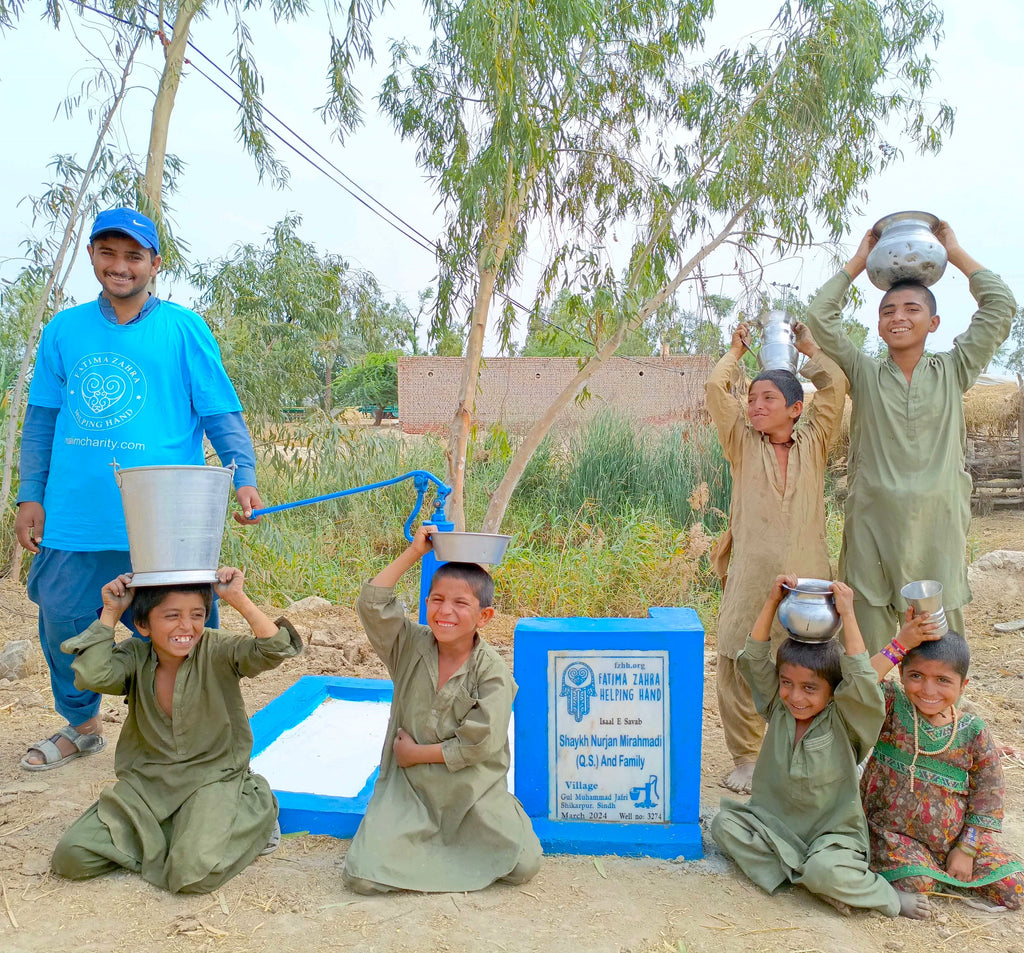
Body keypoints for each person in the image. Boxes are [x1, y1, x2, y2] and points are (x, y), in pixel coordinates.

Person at [17, 208, 263, 770]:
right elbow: (42, 419)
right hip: (76, 514)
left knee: (182, 628)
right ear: (92, 257)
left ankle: (190, 733)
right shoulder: (65, 330)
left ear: (156, 263)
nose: (120, 266)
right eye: (108, 253)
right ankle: (81, 726)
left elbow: (221, 411)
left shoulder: (182, 328)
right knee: (63, 620)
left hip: (165, 517)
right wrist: (31, 494)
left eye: (133, 256)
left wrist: (243, 476)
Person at [804, 220, 1015, 653]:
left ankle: (937, 719)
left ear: (934, 321)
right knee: (869, 651)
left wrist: (953, 251)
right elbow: (820, 317)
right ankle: (873, 718)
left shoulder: (954, 370)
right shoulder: (864, 374)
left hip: (937, 529)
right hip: (872, 530)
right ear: (879, 327)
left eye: (912, 309)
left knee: (938, 651)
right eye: (888, 312)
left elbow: (1000, 305)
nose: (898, 317)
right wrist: (861, 261)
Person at [50, 567, 301, 893]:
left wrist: (238, 598)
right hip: (148, 785)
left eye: (197, 614)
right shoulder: (134, 656)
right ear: (143, 625)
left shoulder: (218, 649)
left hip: (213, 778)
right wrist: (111, 612)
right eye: (171, 616)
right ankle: (180, 833)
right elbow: (92, 676)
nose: (187, 626)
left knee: (191, 876)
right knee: (72, 857)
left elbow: (273, 649)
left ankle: (253, 813)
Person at [710, 576, 931, 919]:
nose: (796, 697)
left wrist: (849, 613)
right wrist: (772, 601)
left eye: (810, 688)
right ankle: (812, 880)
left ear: (833, 691)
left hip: (831, 838)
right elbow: (753, 660)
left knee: (826, 869)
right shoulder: (777, 707)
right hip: (772, 828)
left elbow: (860, 678)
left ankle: (881, 894)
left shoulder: (846, 718)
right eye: (787, 683)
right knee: (723, 824)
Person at [342, 524, 542, 894]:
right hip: (411, 789)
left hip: (470, 790)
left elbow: (479, 744)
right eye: (436, 600)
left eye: (460, 603)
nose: (445, 611)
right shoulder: (408, 645)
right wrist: (415, 553)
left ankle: (500, 815)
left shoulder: (492, 671)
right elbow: (372, 603)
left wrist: (415, 753)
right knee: (362, 876)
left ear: (485, 617)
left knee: (522, 863)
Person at [706, 321, 847, 794]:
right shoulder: (742, 443)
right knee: (737, 657)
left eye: (768, 399)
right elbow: (714, 388)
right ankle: (748, 756)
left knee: (811, 664)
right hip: (751, 578)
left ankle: (803, 751)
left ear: (796, 409)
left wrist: (810, 349)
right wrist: (735, 354)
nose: (756, 406)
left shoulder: (815, 442)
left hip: (809, 583)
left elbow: (837, 386)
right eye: (751, 399)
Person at [861, 624, 1024, 910]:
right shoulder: (891, 706)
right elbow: (859, 683)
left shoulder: (973, 731)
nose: (928, 690)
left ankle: (950, 870)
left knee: (1015, 886)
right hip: (894, 837)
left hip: (957, 841)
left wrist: (966, 849)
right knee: (918, 882)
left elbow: (988, 796)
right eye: (916, 676)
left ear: (963, 685)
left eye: (943, 680)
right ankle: (929, 874)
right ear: (900, 674)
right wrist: (899, 645)